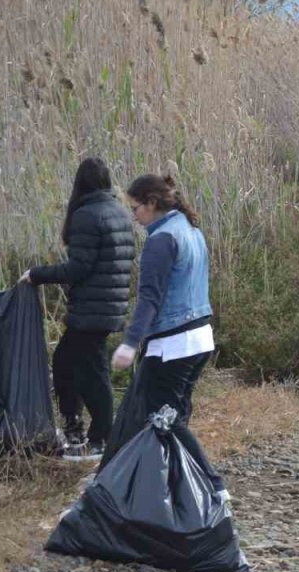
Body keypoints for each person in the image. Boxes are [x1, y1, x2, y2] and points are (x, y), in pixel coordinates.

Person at [109, 174, 227, 499]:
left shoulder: (161, 240)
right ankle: (178, 489)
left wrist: (130, 343)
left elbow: (149, 299)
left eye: (135, 208)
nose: (133, 216)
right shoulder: (191, 230)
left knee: (165, 418)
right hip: (201, 337)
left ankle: (212, 485)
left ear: (151, 203)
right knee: (174, 416)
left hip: (175, 344)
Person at [19, 158, 135, 461]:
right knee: (65, 364)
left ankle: (100, 440)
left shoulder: (87, 215)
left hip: (92, 311)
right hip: (108, 306)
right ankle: (75, 429)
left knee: (93, 375)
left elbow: (78, 267)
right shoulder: (119, 213)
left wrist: (37, 275)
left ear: (79, 184)